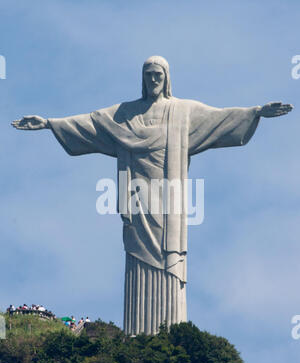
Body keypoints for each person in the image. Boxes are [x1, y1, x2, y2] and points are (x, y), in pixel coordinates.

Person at [11, 56, 293, 336]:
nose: (154, 80)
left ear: (167, 77)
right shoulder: (124, 114)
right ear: (142, 78)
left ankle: (170, 333)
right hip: (137, 201)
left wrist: (256, 112)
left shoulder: (183, 111)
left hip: (169, 203)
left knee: (170, 258)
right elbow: (92, 123)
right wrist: (49, 123)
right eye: (149, 75)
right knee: (137, 255)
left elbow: (220, 118)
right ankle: (138, 332)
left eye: (159, 75)